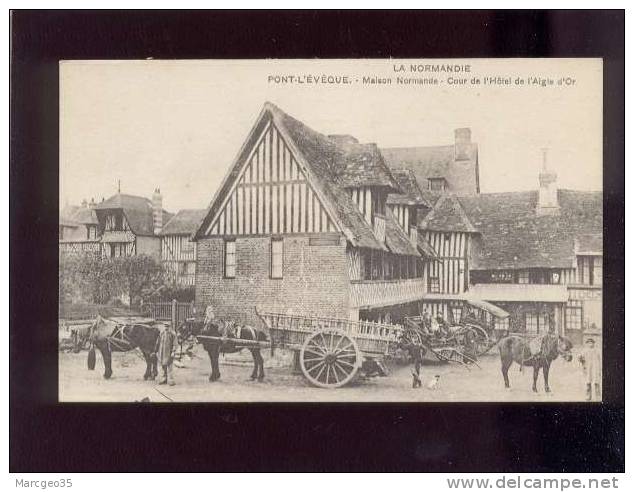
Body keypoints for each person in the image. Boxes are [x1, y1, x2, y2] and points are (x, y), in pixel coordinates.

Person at [578, 337, 602, 401]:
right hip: (588, 369)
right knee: (588, 383)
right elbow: (579, 357)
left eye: (591, 343)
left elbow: (600, 360)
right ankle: (588, 396)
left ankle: (598, 397)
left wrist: (600, 369)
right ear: (587, 344)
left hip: (595, 369)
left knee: (597, 383)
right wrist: (581, 359)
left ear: (593, 343)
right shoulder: (584, 351)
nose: (590, 344)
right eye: (589, 343)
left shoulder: (597, 351)